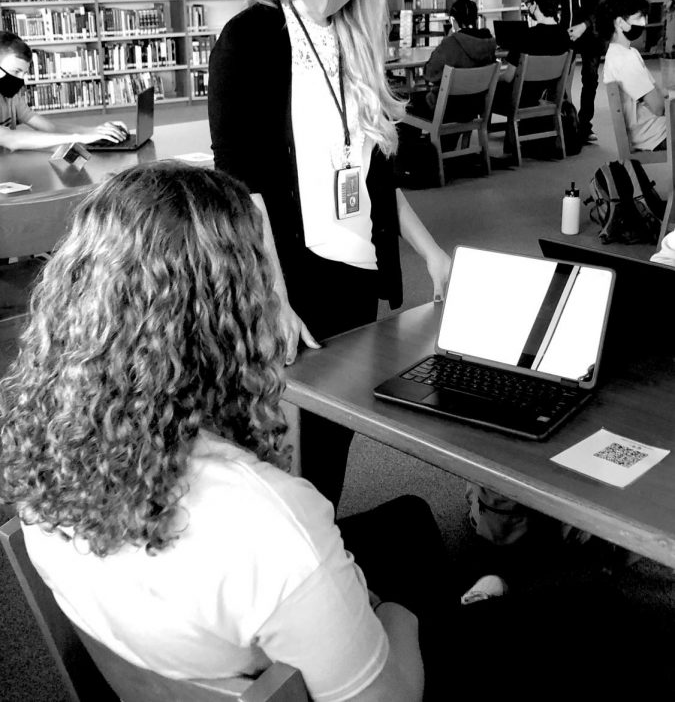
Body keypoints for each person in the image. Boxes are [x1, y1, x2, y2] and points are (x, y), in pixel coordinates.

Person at [0, 160, 461, 702]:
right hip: (302, 651)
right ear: (233, 316)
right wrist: (398, 615)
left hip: (169, 649)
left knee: (409, 520)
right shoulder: (273, 523)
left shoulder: (39, 456)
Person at [208, 0, 451, 506]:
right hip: (287, 279)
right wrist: (271, 299)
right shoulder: (251, 39)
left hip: (355, 274)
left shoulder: (355, 38)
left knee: (332, 444)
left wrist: (429, 252)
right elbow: (246, 190)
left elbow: (369, 172)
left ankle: (327, 569)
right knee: (280, 462)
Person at [0, 31, 127, 150]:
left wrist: (95, 131)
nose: (21, 79)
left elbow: (48, 127)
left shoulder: (11, 96)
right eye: (16, 71)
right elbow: (10, 139)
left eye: (24, 73)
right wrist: (78, 138)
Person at [543, 0, 605, 144]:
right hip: (562, 34)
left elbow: (601, 6)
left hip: (589, 34)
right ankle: (566, 120)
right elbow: (545, 0)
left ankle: (585, 125)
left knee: (590, 78)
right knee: (558, 78)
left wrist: (584, 26)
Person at [491, 0, 571, 126]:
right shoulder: (564, 36)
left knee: (485, 89)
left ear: (535, 4)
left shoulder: (525, 36)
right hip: (546, 94)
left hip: (521, 97)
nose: (528, 7)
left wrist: (492, 77)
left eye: (528, 4)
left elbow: (508, 77)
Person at [599, 0, 668, 152]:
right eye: (639, 17)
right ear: (620, 22)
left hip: (650, 128)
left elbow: (659, 92)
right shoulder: (624, 60)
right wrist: (661, 97)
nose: (644, 23)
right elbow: (658, 106)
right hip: (654, 134)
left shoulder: (626, 52)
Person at [422, 0, 497, 114]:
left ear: (453, 20)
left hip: (448, 108)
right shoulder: (487, 42)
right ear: (476, 18)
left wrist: (448, 38)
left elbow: (430, 73)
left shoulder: (451, 43)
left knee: (407, 102)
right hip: (476, 106)